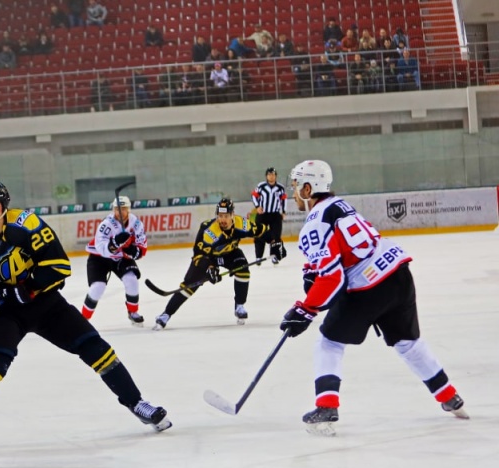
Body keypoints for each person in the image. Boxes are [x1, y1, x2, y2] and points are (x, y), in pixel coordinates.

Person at [0, 180, 171, 454]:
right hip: (5, 310)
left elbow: (58, 264)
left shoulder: (28, 224)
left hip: (45, 302)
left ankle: (136, 403)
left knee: (96, 349)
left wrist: (29, 288)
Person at [281, 160, 466, 435]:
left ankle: (326, 406)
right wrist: (312, 273)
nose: (292, 192)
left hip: (368, 286)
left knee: (329, 342)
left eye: (296, 186)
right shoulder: (340, 205)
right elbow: (337, 253)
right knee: (408, 343)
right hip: (398, 273)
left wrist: (305, 310)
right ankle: (450, 397)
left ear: (308, 189)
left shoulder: (315, 223)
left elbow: (333, 279)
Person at [153, 198, 267, 329]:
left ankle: (239, 306)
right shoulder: (209, 230)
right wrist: (209, 268)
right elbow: (199, 254)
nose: (222, 220)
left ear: (232, 215)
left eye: (226, 216)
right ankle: (165, 315)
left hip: (230, 253)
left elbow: (262, 230)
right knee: (189, 285)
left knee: (243, 269)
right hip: (208, 258)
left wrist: (276, 243)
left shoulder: (242, 224)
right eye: (220, 216)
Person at [81, 195, 148, 325]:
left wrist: (135, 252)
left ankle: (133, 312)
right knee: (97, 287)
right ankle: (82, 319)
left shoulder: (136, 224)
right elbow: (101, 248)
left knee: (131, 280)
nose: (120, 212)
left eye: (123, 209)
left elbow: (142, 247)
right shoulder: (106, 224)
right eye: (117, 209)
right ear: (113, 210)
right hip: (99, 258)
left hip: (121, 257)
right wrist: (115, 243)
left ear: (128, 210)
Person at [251, 167, 288, 264]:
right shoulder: (261, 186)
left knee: (276, 236)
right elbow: (254, 196)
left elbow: (284, 199)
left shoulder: (280, 188)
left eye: (273, 174)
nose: (271, 176)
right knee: (259, 234)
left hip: (275, 215)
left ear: (276, 176)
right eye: (269, 174)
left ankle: (274, 255)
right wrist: (257, 206)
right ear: (266, 176)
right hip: (262, 214)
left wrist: (283, 212)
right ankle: (258, 257)